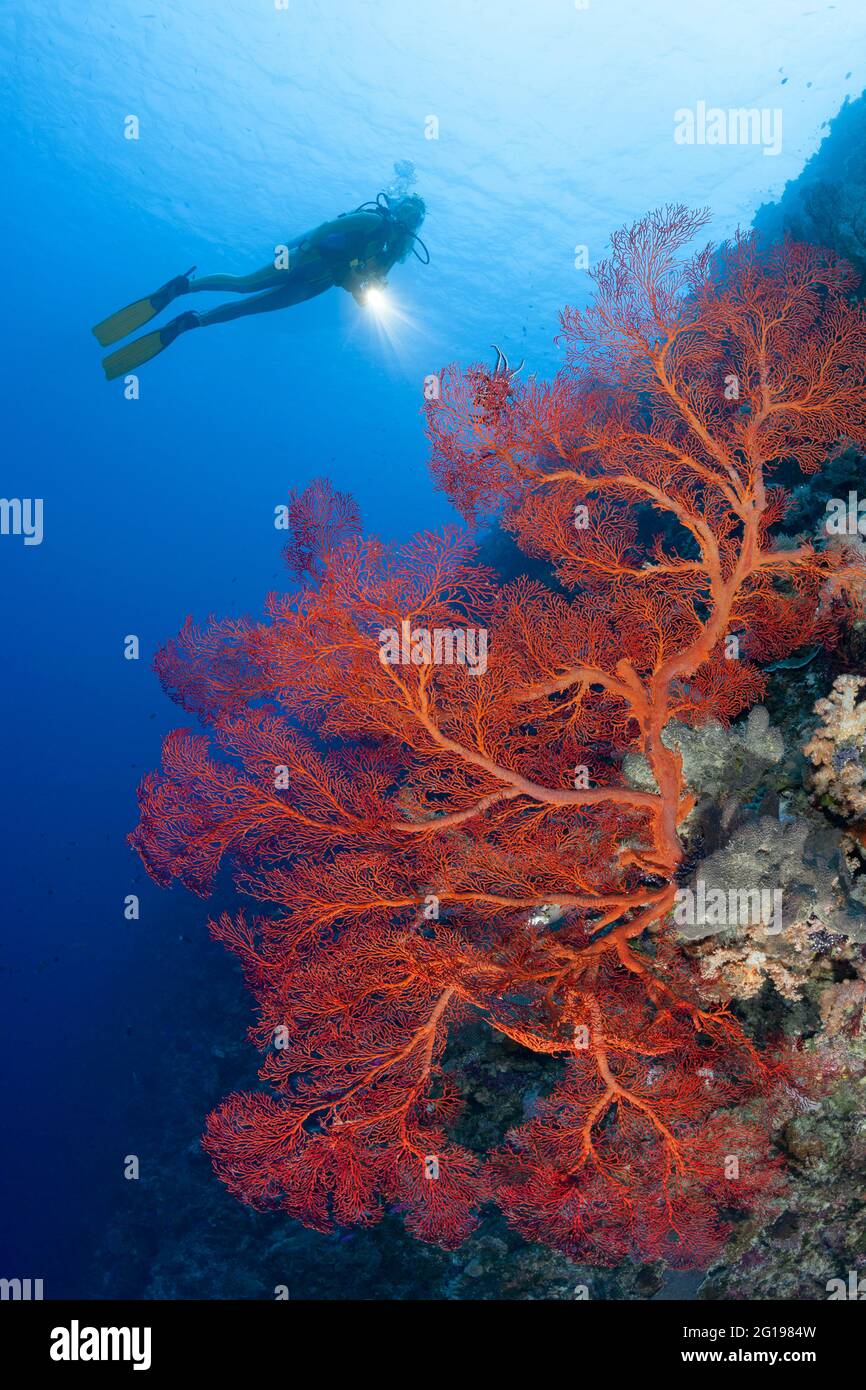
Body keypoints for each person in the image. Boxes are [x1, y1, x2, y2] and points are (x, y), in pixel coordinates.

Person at [92, 193, 427, 380]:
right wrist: (311, 252)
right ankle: (183, 286)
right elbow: (326, 229)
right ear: (398, 208)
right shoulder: (372, 221)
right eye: (407, 210)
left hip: (317, 284)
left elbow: (357, 288)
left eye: (414, 217)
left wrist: (361, 293)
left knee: (248, 309)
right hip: (304, 260)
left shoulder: (389, 258)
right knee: (244, 285)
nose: (408, 218)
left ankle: (191, 321)